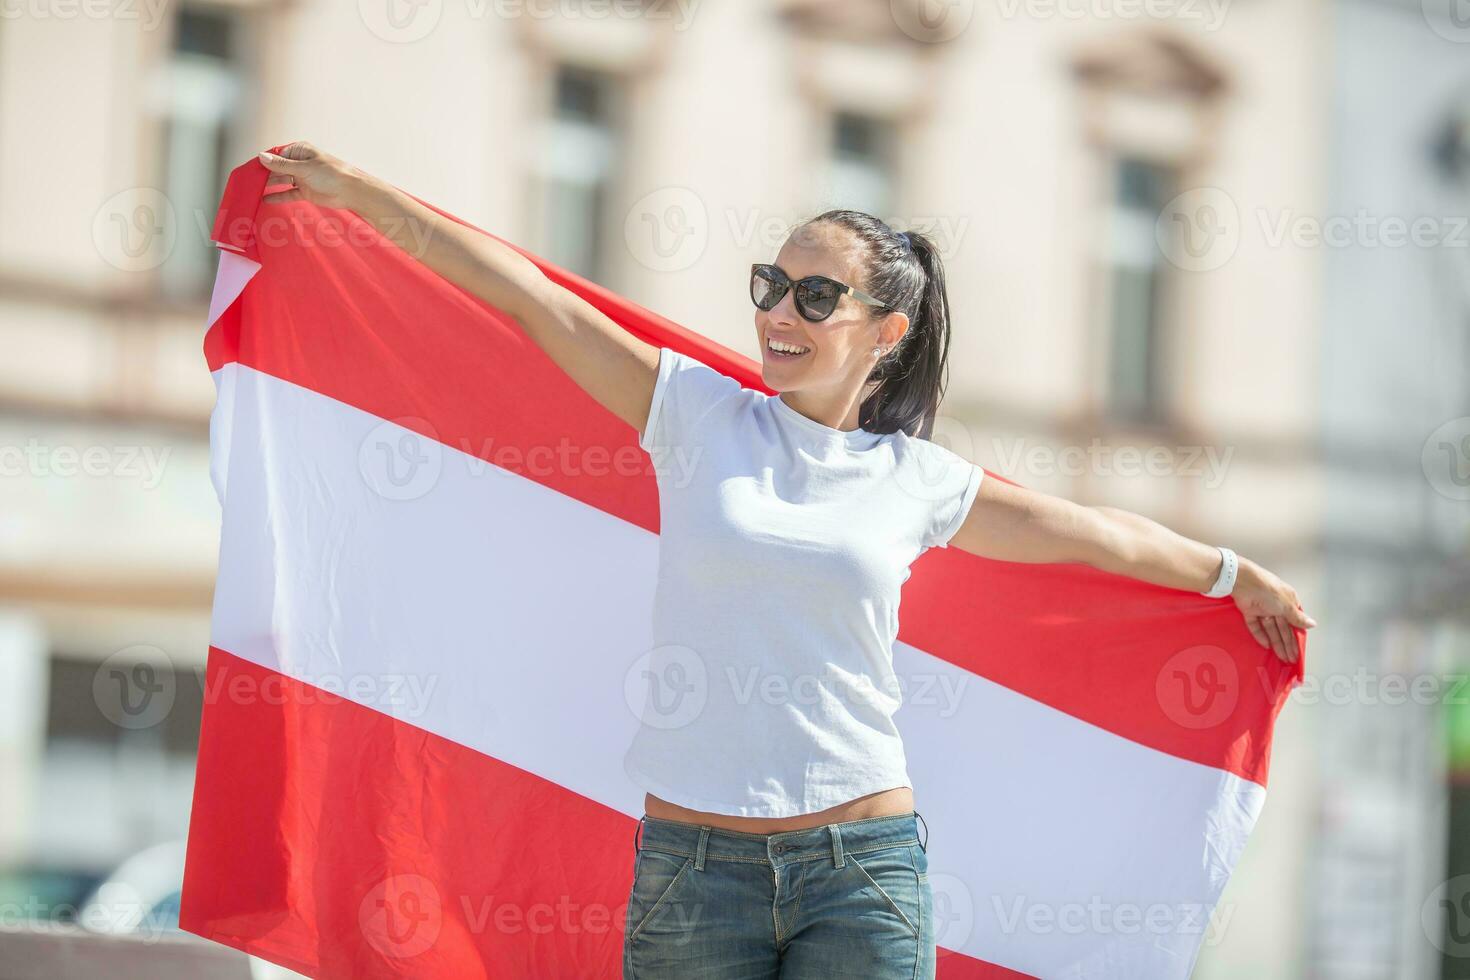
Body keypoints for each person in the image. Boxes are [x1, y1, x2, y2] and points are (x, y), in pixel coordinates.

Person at [256, 141, 1316, 980]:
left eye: (817, 297)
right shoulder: (692, 414)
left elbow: (1098, 536)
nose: (779, 312)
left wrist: (1233, 574)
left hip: (863, 872)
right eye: (774, 283)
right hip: (691, 873)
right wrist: (358, 197)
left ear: (885, 329)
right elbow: (540, 302)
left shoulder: (914, 480)